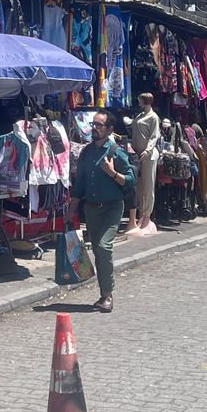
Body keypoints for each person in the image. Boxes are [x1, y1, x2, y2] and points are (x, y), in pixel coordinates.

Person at [67, 110, 135, 313]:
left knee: (104, 247)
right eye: (93, 124)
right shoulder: (87, 152)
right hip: (91, 210)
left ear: (110, 129)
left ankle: (108, 295)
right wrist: (71, 209)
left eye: (99, 125)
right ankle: (103, 293)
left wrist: (113, 173)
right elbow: (79, 184)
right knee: (97, 249)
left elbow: (131, 181)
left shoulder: (116, 152)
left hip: (112, 208)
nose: (94, 128)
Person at [125, 92, 161, 236]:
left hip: (148, 155)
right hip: (137, 154)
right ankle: (141, 214)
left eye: (140, 100)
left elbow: (154, 135)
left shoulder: (153, 117)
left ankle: (147, 216)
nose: (138, 102)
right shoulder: (139, 116)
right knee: (139, 186)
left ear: (145, 101)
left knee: (148, 186)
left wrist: (148, 150)